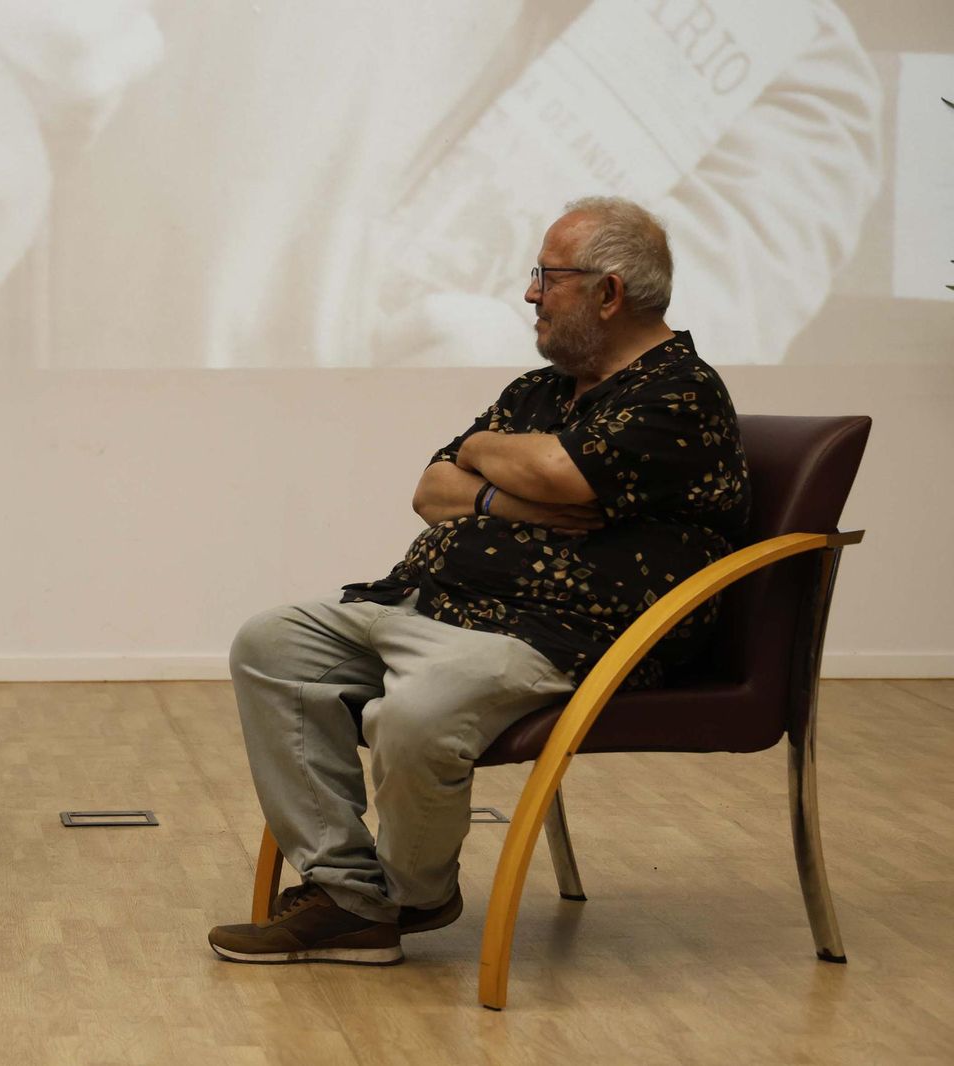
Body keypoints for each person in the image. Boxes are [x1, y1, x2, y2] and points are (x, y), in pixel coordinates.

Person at [208, 197, 749, 964]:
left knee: (415, 716)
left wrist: (499, 462)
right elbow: (432, 489)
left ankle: (407, 898)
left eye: (548, 277)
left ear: (609, 292)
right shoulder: (540, 394)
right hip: (436, 606)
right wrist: (504, 480)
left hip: (560, 635)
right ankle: (349, 895)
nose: (530, 293)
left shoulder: (679, 392)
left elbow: (563, 471)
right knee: (271, 644)